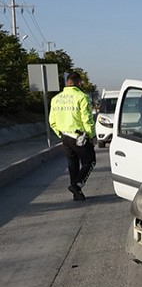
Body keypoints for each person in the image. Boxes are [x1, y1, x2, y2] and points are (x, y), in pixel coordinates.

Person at [48, 72, 96, 201]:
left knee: (72, 164)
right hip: (78, 136)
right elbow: (87, 118)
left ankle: (76, 194)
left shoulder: (56, 99)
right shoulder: (81, 97)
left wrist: (60, 134)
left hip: (64, 136)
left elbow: (52, 120)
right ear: (79, 82)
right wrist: (91, 135)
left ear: (67, 82)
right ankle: (76, 185)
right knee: (90, 161)